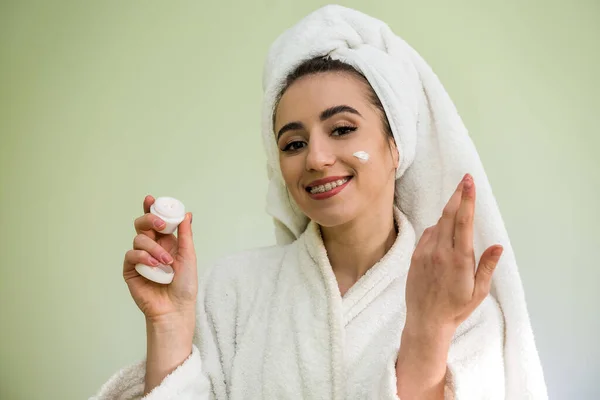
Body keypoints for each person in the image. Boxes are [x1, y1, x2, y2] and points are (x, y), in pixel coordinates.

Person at [91, 5, 547, 400]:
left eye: (343, 129)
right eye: (292, 143)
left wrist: (428, 333)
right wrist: (169, 325)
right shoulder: (232, 290)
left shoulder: (458, 300)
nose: (316, 157)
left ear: (397, 145)